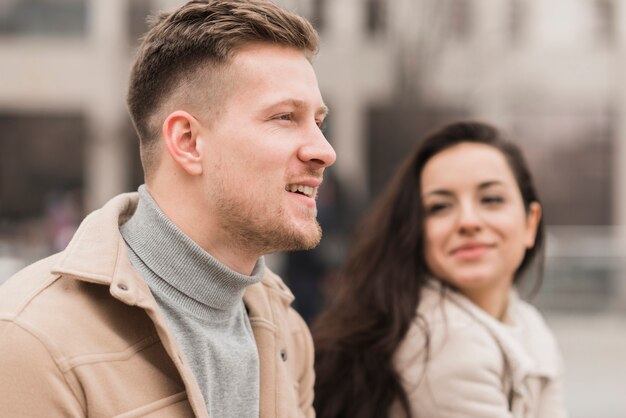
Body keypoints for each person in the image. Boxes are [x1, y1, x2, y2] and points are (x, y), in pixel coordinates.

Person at [0, 1, 335, 417]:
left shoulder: (287, 331)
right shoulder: (32, 339)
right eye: (285, 117)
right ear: (188, 141)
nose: (325, 151)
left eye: (318, 122)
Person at [313, 121, 567, 418]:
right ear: (414, 232)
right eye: (440, 207)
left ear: (530, 223)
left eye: (491, 199)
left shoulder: (530, 325)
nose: (468, 221)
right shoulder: (445, 339)